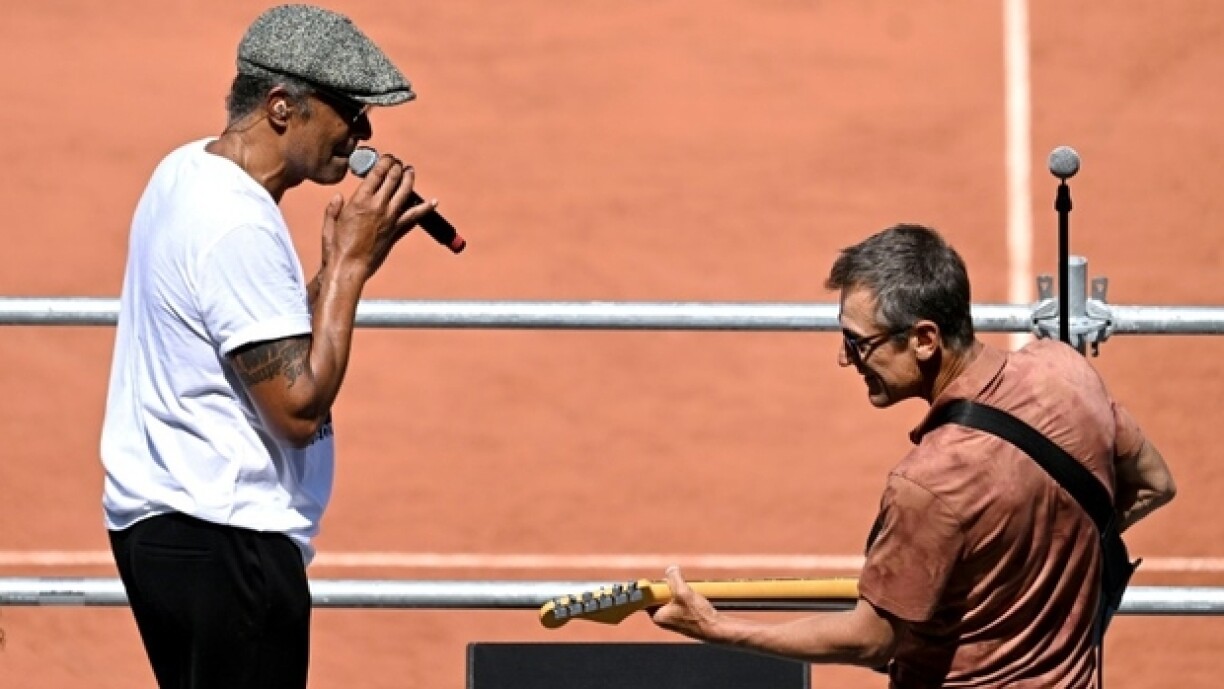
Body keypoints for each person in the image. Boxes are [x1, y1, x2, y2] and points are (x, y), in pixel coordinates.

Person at [649, 224, 1177, 687]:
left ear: (924, 339)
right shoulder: (1064, 372)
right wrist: (1045, 556)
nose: (845, 359)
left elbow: (871, 640)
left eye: (858, 342)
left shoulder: (929, 485)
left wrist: (719, 628)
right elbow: (1155, 482)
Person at [99, 5, 434, 688]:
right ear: (282, 107)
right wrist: (348, 269)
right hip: (228, 540)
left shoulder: (186, 170)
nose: (365, 135)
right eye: (351, 112)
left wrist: (336, 269)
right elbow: (298, 409)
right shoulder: (237, 225)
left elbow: (252, 335)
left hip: (175, 529)